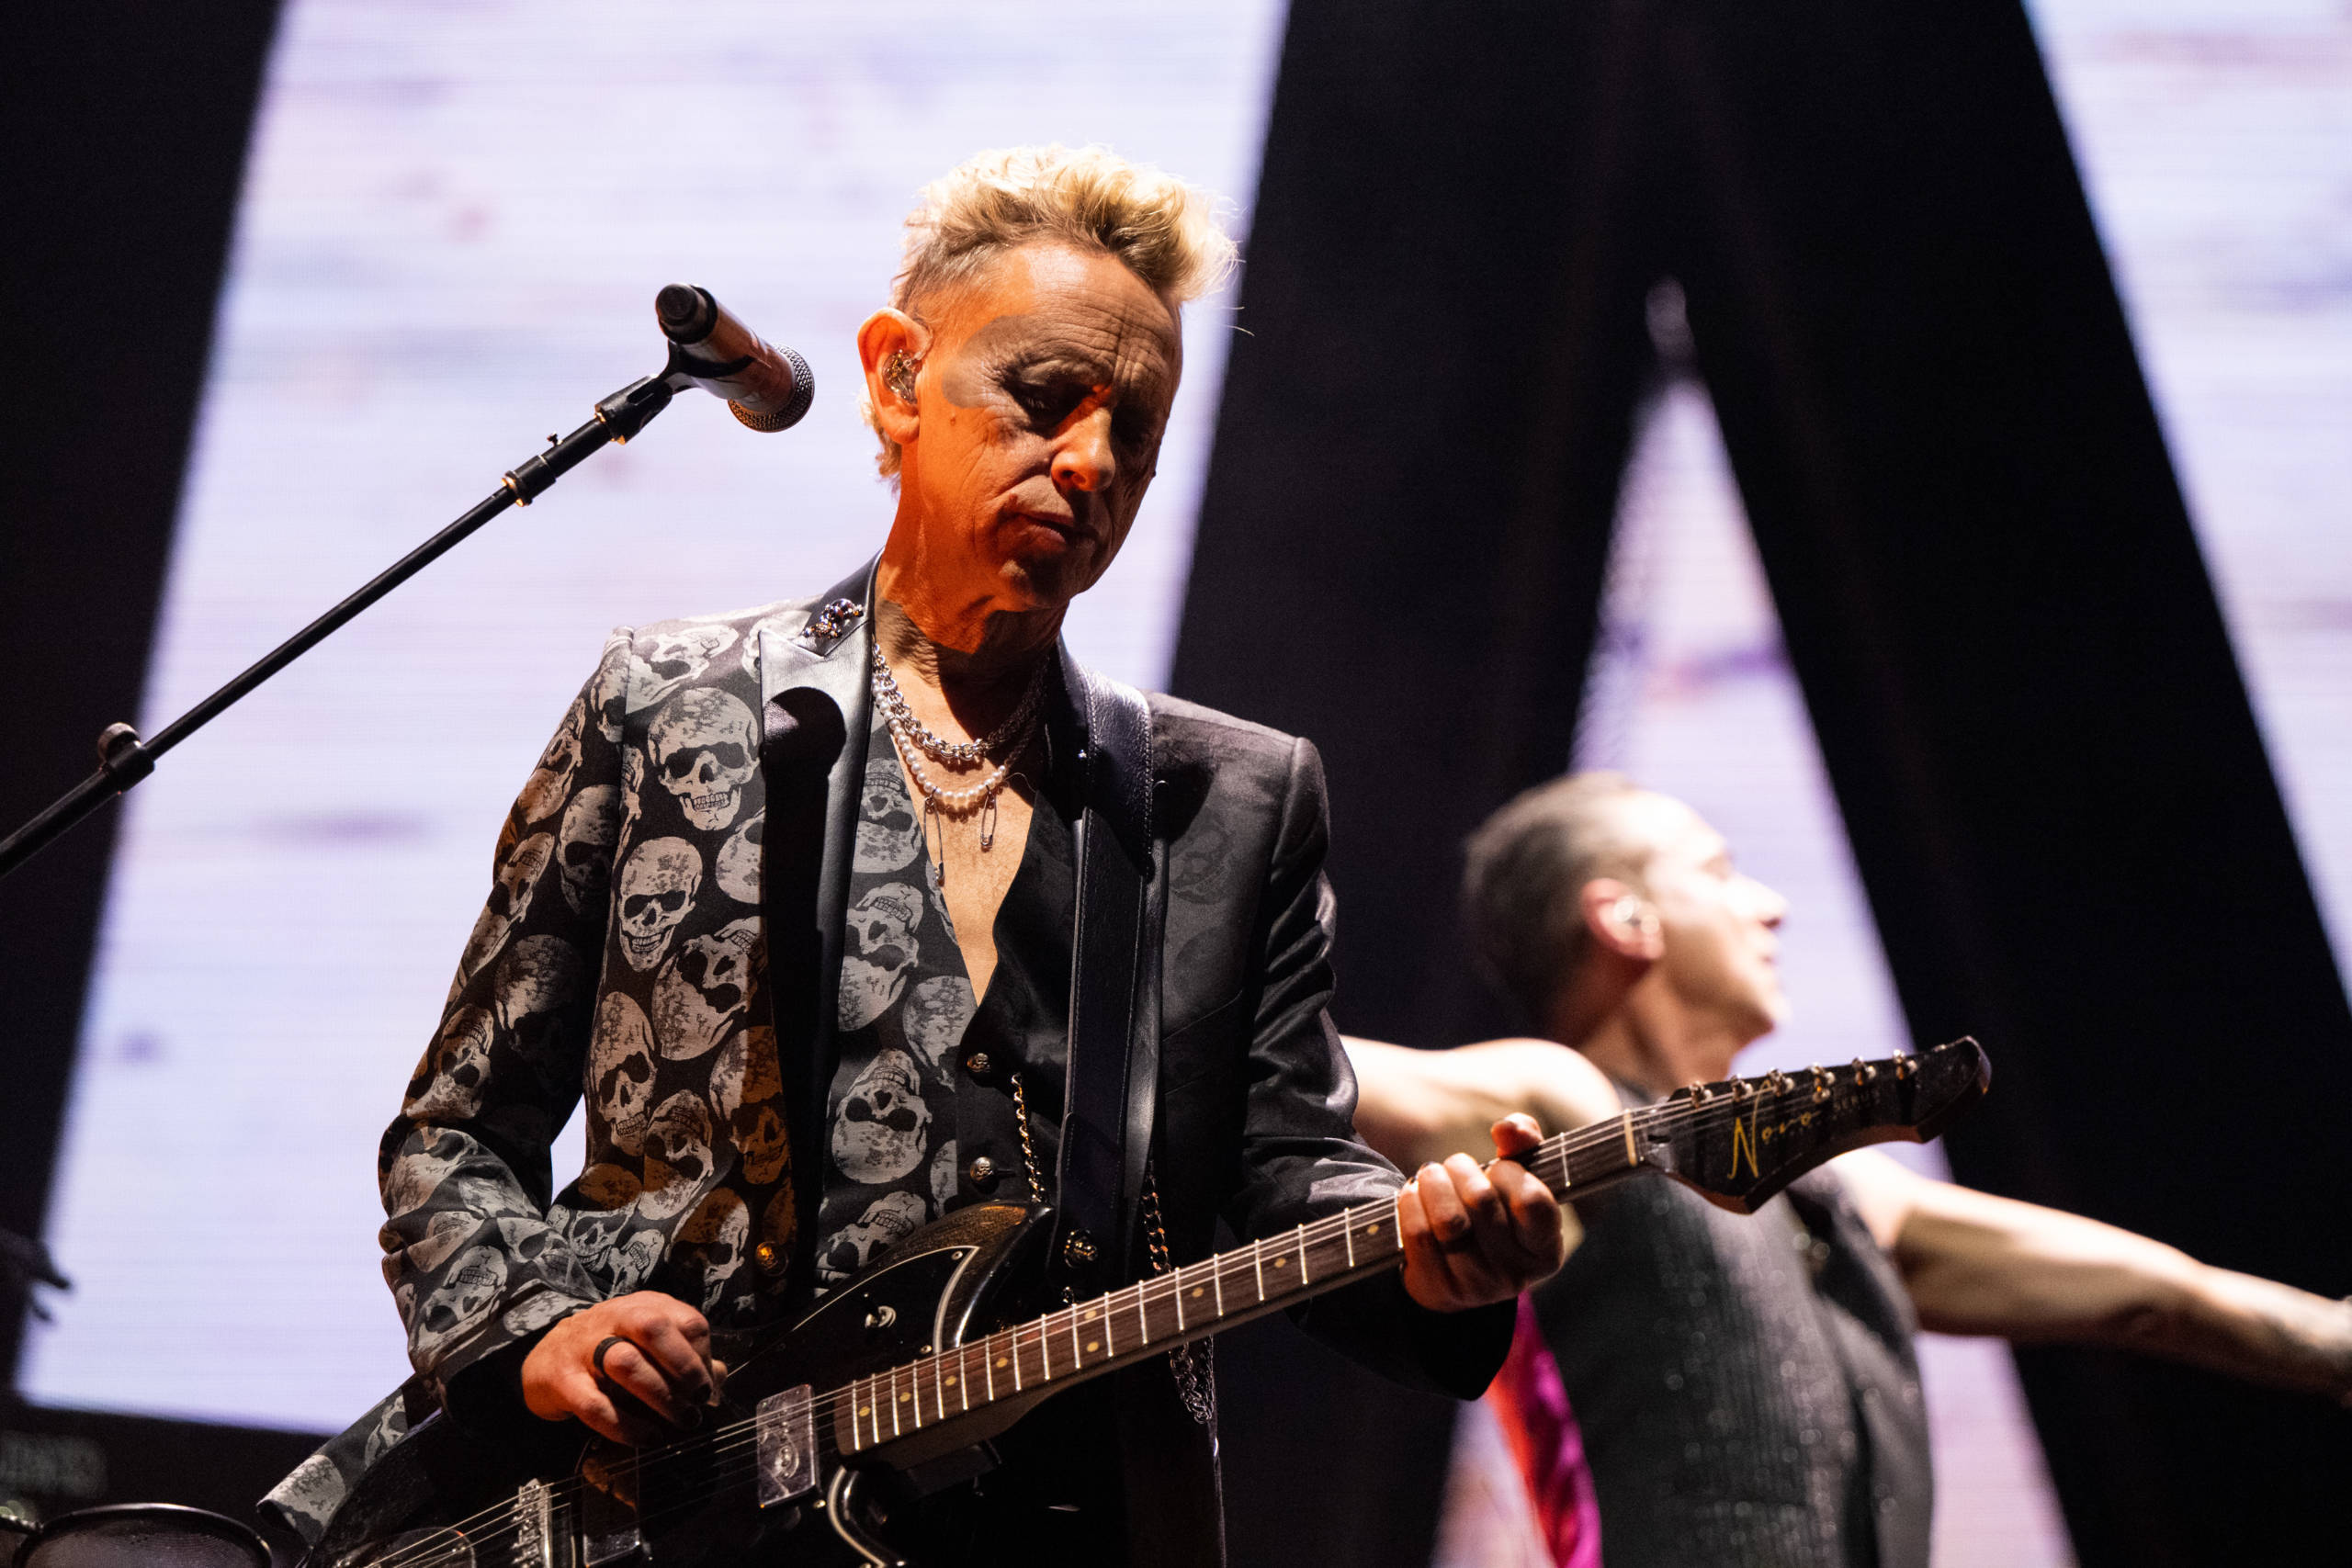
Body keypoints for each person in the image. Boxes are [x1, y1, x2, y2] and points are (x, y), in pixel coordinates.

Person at [261, 145, 1565, 1568]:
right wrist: (540, 1332)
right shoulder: (668, 701)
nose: (1092, 458)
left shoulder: (1227, 798)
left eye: (1135, 425)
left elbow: (1287, 1161)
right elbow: (456, 1131)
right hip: (643, 1512)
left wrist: (1430, 1249)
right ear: (896, 378)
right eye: (1045, 397)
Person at [1348, 772, 2352, 1568]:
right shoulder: (1557, 1095)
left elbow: (2163, 1298)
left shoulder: (1842, 1199)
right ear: (1626, 922)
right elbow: (1299, 1078)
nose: (1770, 906)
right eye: (1719, 870)